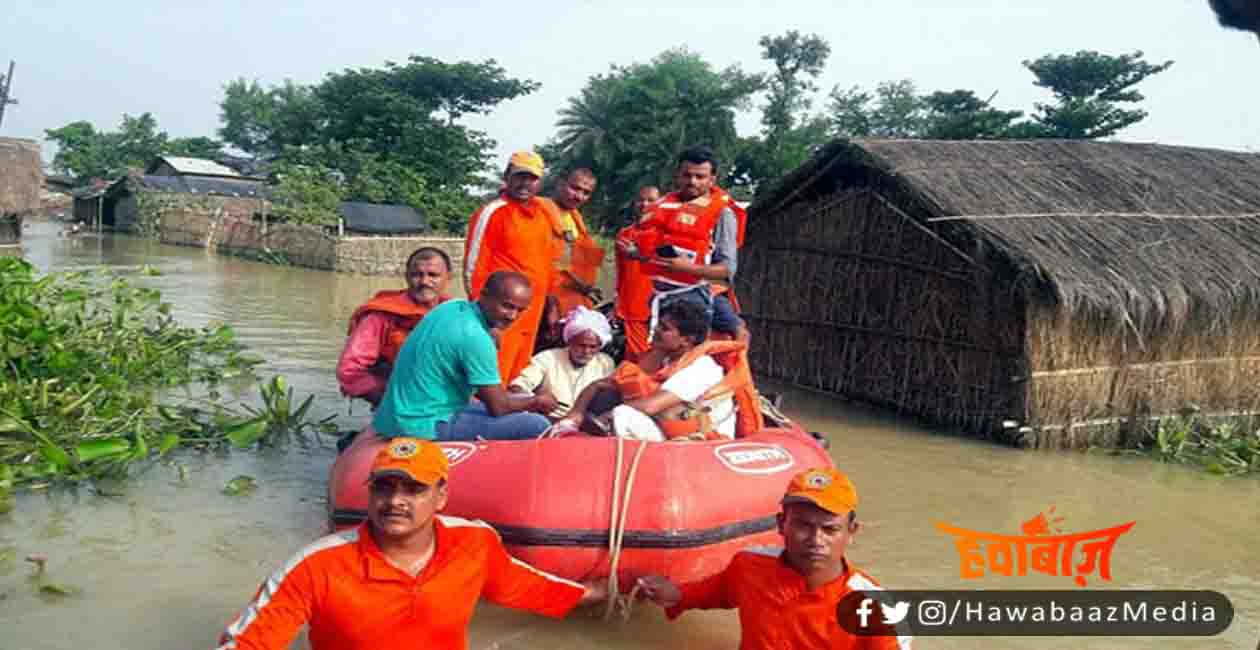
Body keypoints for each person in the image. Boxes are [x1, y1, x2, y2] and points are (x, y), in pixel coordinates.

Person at [216, 438, 608, 650]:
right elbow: (249, 642)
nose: (395, 501)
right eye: (384, 487)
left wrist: (602, 594)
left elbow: (527, 587)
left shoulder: (473, 543)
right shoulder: (317, 565)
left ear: (440, 496)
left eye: (413, 489)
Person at [636, 467, 912, 650]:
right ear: (782, 524)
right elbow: (713, 592)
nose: (816, 540)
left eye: (830, 529)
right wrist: (673, 593)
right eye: (803, 525)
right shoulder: (749, 565)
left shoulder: (877, 611)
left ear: (851, 532)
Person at [372, 271, 556, 441]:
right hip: (421, 425)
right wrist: (536, 401)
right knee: (536, 424)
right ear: (484, 295)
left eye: (520, 310)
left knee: (511, 406)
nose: (512, 316)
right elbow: (499, 408)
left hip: (400, 415)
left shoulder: (452, 307)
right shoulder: (475, 338)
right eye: (507, 306)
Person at [559, 299, 760, 441]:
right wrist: (575, 414)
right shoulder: (661, 358)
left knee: (622, 415)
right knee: (605, 396)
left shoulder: (702, 369)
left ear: (686, 341)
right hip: (663, 425)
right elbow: (600, 384)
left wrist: (602, 419)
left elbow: (650, 407)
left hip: (700, 440)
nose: (655, 330)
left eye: (664, 328)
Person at [631, 146, 750, 344]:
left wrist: (689, 269)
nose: (692, 181)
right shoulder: (663, 207)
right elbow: (656, 256)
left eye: (700, 176)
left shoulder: (722, 214)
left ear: (712, 179)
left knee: (684, 362)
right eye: (687, 175)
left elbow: (727, 270)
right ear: (677, 175)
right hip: (660, 300)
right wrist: (637, 253)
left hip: (695, 302)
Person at [464, 151, 560, 383]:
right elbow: (473, 267)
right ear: (507, 176)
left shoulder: (544, 213)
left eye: (532, 178)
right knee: (490, 376)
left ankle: (510, 416)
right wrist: (484, 319)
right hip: (501, 313)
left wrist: (551, 303)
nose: (525, 183)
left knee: (519, 375)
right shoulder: (494, 212)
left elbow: (549, 263)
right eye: (519, 176)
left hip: (532, 311)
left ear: (540, 182)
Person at [337, 247, 453, 407]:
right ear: (406, 276)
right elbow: (349, 370)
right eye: (416, 275)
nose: (424, 282)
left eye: (433, 275)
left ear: (448, 277)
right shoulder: (380, 316)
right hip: (399, 402)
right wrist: (390, 403)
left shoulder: (457, 313)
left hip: (449, 399)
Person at [510, 306, 616, 421]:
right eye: (581, 345)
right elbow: (517, 387)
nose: (586, 352)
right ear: (569, 341)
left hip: (587, 424)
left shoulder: (605, 363)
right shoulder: (547, 358)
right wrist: (536, 399)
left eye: (593, 347)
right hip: (549, 420)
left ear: (600, 346)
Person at [543, 168, 605, 315]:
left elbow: (576, 260)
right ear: (560, 183)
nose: (579, 196)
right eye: (575, 188)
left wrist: (587, 288)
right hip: (548, 301)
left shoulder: (575, 218)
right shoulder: (539, 211)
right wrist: (549, 300)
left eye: (586, 193)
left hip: (574, 302)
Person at [613, 185, 661, 362]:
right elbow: (620, 272)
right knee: (635, 356)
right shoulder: (624, 234)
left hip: (660, 304)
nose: (644, 204)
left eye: (651, 200)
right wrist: (617, 300)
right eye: (640, 200)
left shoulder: (667, 234)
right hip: (632, 305)